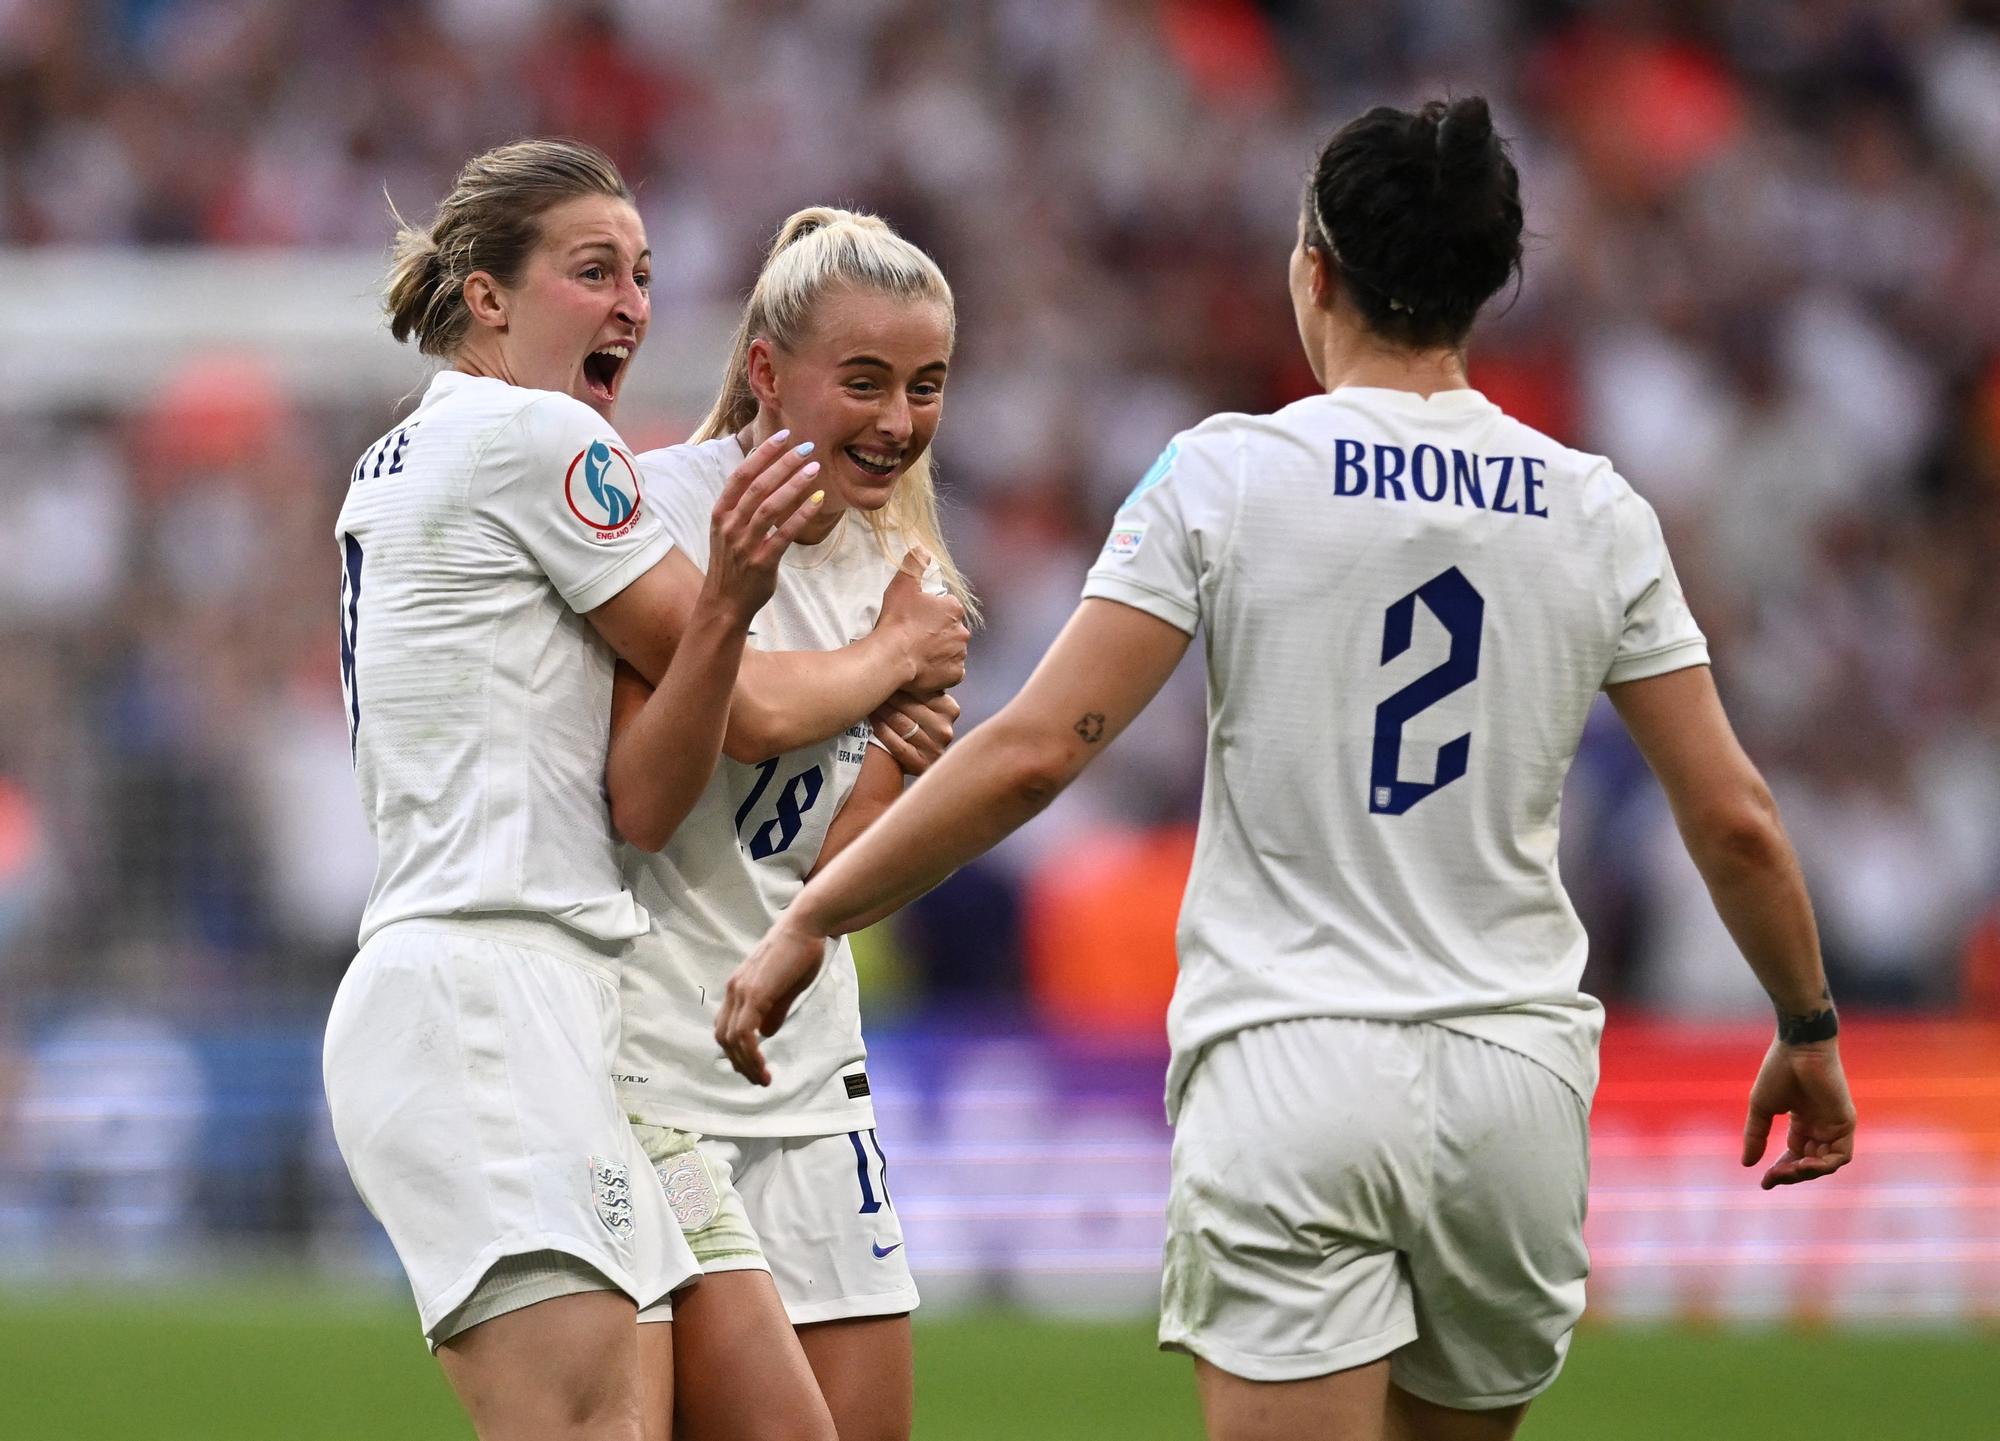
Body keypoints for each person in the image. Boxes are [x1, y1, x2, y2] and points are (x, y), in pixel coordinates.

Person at [715, 98, 1859, 1441]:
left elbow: (1033, 754)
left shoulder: (1228, 474)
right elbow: (1733, 818)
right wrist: (1808, 1028)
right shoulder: (1598, 509)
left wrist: (811, 914)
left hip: (1294, 1065)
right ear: (1490, 283)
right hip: (1516, 1079)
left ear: (1314, 267)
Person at [323, 138, 829, 1441]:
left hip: (562, 1000)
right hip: (487, 992)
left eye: (644, 276)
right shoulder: (538, 436)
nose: (632, 306)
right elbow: (751, 703)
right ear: (486, 297)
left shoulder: (406, 458)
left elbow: (647, 776)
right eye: (592, 270)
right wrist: (894, 654)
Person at [612, 207, 971, 1441]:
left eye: (924, 386)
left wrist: (895, 761)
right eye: (863, 381)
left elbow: (829, 872)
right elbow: (719, 737)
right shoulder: (653, 514)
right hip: (652, 1066)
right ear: (766, 370)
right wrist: (882, 669)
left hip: (812, 1073)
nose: (896, 421)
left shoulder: (909, 570)